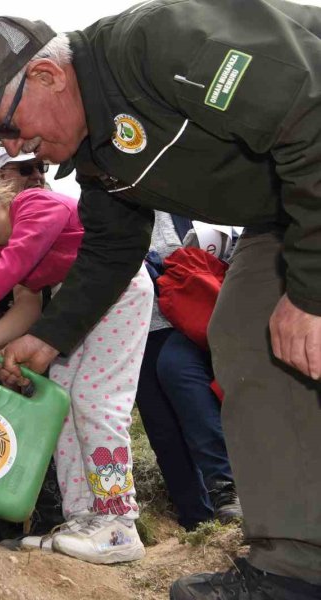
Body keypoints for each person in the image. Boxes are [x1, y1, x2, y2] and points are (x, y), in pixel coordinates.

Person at [0, 3, 321, 595]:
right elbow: (110, 250)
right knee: (246, 330)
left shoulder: (158, 44)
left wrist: (311, 290)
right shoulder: (97, 154)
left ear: (46, 76)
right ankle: (296, 569)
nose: (15, 147)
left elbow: (307, 108)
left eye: (6, 127)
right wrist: (48, 337)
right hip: (285, 213)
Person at [0, 167, 152, 565]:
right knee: (58, 406)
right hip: (72, 307)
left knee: (95, 401)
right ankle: (83, 519)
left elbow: (7, 272)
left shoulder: (38, 207)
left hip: (119, 292)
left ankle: (118, 520)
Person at [137, 211, 241, 530]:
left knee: (181, 375)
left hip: (196, 318)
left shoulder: (190, 201)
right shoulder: (110, 210)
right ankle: (198, 522)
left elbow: (236, 250)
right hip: (143, 330)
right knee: (162, 428)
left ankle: (227, 489)